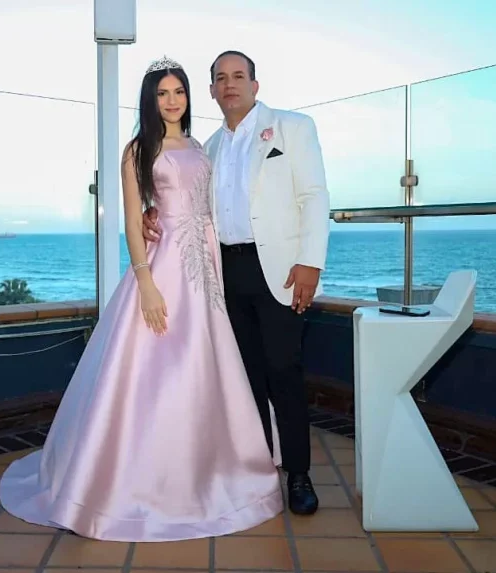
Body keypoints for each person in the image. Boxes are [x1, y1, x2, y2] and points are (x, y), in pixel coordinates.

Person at [0, 56, 283, 542]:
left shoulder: (201, 146)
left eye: (180, 92)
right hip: (164, 267)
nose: (172, 101)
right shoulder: (137, 150)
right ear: (150, 101)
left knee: (207, 364)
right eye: (162, 93)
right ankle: (141, 478)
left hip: (207, 268)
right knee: (160, 368)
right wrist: (146, 282)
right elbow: (134, 221)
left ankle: (211, 467)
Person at [143, 51, 330, 515]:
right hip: (224, 272)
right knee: (244, 378)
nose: (230, 84)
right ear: (210, 91)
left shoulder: (293, 128)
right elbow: (186, 203)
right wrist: (152, 214)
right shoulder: (205, 148)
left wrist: (310, 262)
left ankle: (299, 475)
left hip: (281, 271)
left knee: (284, 370)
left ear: (255, 84)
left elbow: (314, 195)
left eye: (238, 76)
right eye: (221, 78)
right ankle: (258, 471)